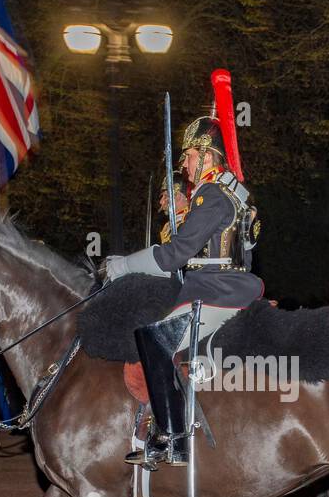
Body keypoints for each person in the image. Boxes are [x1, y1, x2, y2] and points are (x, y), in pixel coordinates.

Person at [105, 72, 262, 468]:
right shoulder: (231, 193)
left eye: (190, 156)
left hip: (217, 290)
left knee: (154, 341)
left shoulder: (212, 194)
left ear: (209, 157)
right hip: (219, 284)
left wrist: (123, 266)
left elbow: (177, 254)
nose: (185, 165)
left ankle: (171, 436)